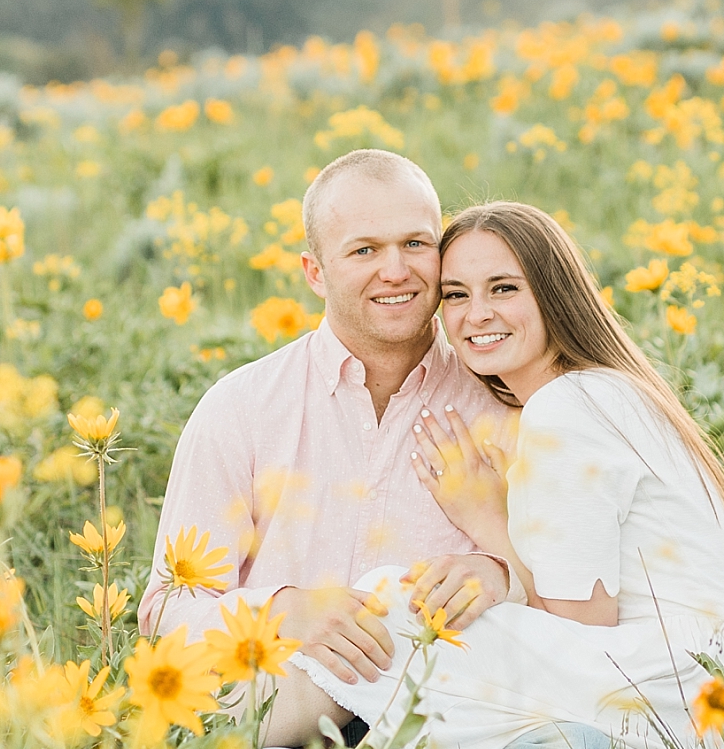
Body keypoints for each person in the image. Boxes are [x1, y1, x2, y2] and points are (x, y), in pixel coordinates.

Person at [279, 200, 724, 749]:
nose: (476, 314)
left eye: (504, 288)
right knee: (433, 618)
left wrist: (486, 518)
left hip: (685, 711)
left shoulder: (568, 409)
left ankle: (228, 744)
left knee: (397, 607)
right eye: (456, 295)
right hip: (723, 713)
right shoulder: (607, 392)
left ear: (554, 296)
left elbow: (580, 623)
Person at [138, 150, 522, 696]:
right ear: (315, 273)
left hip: (453, 725)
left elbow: (578, 587)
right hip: (276, 721)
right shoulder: (241, 410)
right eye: (364, 250)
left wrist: (502, 576)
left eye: (415, 244)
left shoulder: (503, 398)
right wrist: (280, 612)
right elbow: (167, 608)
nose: (396, 271)